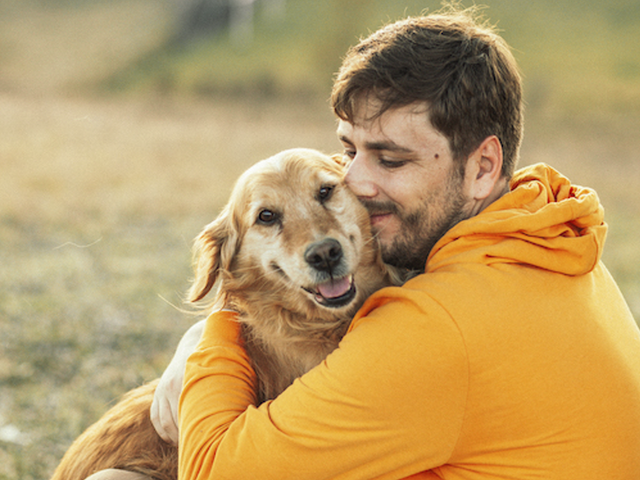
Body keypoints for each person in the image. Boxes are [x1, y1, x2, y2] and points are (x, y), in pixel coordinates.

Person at [152, 5, 640, 479]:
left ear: (483, 167)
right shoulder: (547, 233)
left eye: (391, 159)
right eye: (349, 151)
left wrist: (214, 334)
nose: (355, 182)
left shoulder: (435, 331)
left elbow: (213, 472)